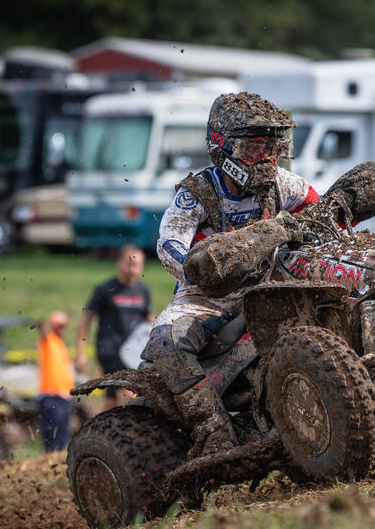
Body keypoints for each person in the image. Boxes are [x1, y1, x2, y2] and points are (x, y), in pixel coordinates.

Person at [140, 91, 320, 457]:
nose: (265, 159)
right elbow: (168, 243)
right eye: (254, 149)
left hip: (268, 285)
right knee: (163, 343)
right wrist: (199, 270)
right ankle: (212, 429)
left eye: (272, 147)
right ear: (224, 148)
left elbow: (320, 209)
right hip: (207, 297)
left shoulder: (281, 182)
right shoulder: (197, 194)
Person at [76, 245, 154, 409]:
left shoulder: (143, 290)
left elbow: (150, 321)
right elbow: (85, 320)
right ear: (119, 263)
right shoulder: (105, 289)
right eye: (129, 264)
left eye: (137, 265)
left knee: (111, 397)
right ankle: (127, 429)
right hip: (109, 349)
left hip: (132, 350)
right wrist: (81, 353)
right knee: (126, 389)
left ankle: (105, 430)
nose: (133, 269)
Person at [37, 311, 74, 452]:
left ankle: (57, 460)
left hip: (64, 395)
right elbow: (43, 333)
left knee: (62, 432)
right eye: (58, 325)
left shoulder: (60, 343)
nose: (61, 329)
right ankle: (51, 458)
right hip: (51, 395)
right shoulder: (49, 340)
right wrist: (41, 326)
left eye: (63, 326)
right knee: (52, 432)